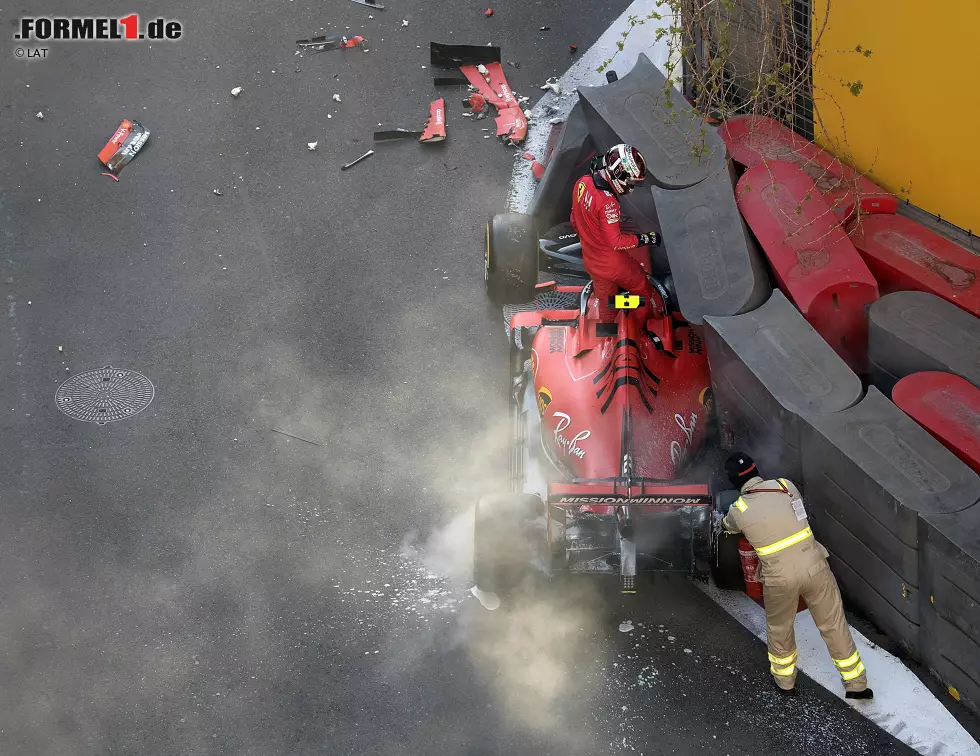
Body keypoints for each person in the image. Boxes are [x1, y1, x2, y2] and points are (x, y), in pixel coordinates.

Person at [721, 452, 874, 700]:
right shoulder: (785, 485)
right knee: (833, 623)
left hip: (779, 577)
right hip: (815, 565)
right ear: (755, 468)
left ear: (733, 482)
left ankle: (785, 683)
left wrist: (724, 524)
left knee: (781, 628)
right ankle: (857, 684)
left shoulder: (739, 509)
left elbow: (729, 525)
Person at [569, 143, 661, 324]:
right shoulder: (609, 203)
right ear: (620, 175)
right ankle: (639, 326)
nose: (631, 186)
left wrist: (591, 236)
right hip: (613, 263)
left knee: (606, 302)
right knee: (643, 290)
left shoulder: (582, 182)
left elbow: (574, 219)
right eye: (631, 181)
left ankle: (609, 333)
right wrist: (645, 239)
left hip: (591, 261)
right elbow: (616, 242)